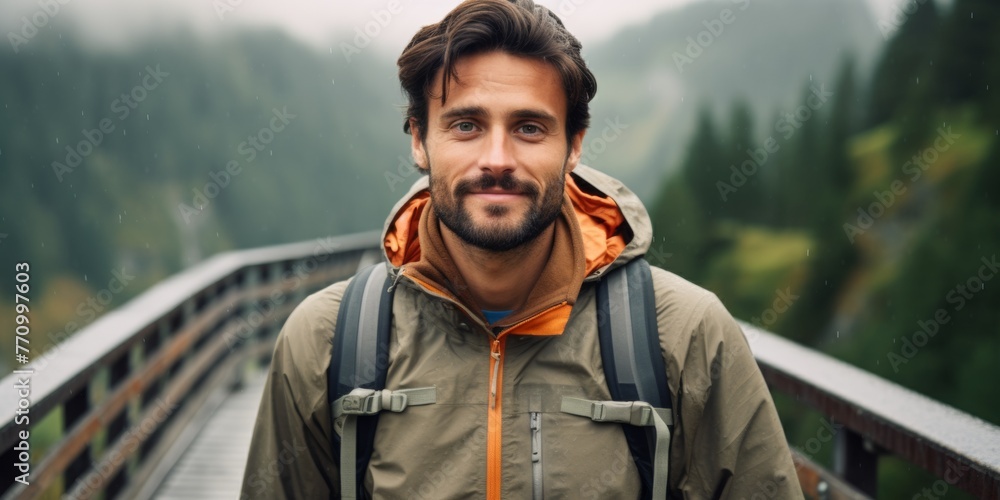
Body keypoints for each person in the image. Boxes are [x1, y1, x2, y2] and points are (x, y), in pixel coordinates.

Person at [240, 0, 802, 498]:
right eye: (465, 125)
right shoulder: (324, 342)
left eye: (530, 128)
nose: (498, 159)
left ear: (574, 144)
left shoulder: (685, 337)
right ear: (418, 138)